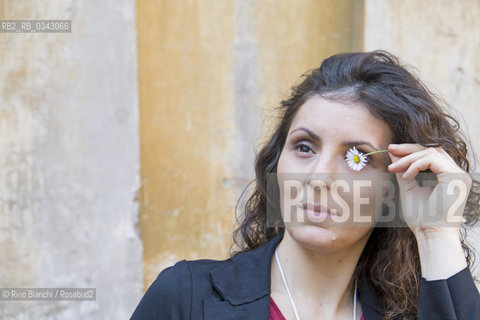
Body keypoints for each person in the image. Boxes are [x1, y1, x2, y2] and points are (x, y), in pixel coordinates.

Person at [130, 51, 480, 319]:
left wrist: (436, 235)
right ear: (275, 163)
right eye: (303, 147)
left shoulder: (412, 312)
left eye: (356, 156)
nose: (317, 177)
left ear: (394, 189)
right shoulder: (187, 299)